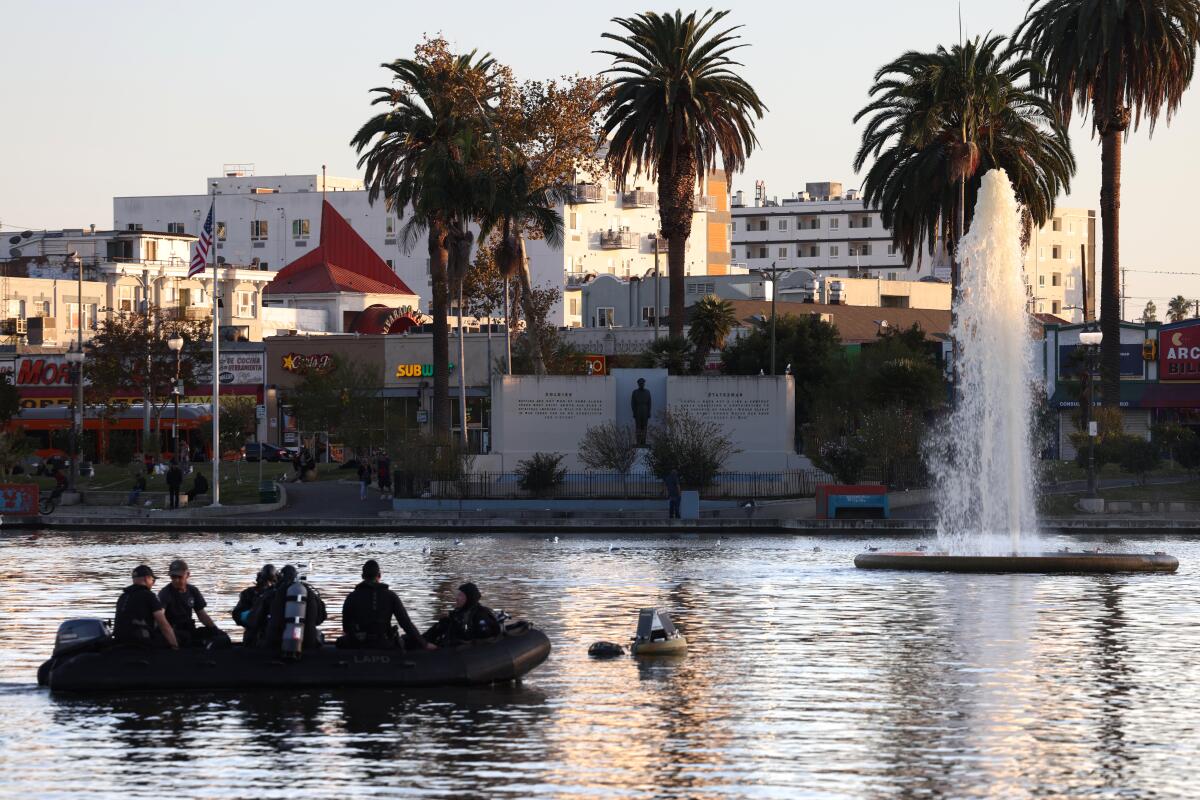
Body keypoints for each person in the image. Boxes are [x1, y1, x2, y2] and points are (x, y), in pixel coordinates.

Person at [338, 559, 435, 651]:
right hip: (385, 644)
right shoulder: (390, 595)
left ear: (362, 576)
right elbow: (405, 623)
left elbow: (346, 627)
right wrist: (424, 644)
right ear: (379, 575)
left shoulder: (351, 597)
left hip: (360, 644)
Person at [157, 559, 222, 647]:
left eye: (179, 577)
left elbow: (202, 615)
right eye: (173, 577)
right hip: (174, 631)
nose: (176, 580)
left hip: (189, 629)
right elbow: (161, 618)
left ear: (187, 575)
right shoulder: (165, 593)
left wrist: (215, 629)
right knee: (185, 639)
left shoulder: (193, 590)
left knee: (220, 636)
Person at [262, 564, 327, 651]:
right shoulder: (309, 592)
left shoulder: (272, 593)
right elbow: (321, 618)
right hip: (308, 643)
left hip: (275, 644)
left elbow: (255, 619)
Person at [114, 565, 179, 650]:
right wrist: (175, 647)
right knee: (182, 637)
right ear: (146, 578)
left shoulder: (123, 596)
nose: (153, 583)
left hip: (120, 641)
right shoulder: (149, 596)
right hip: (141, 643)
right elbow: (163, 625)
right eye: (153, 580)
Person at [424, 582, 501, 646]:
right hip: (446, 649)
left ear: (469, 598)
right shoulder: (457, 613)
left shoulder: (480, 615)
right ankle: (421, 643)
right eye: (457, 595)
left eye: (460, 595)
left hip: (465, 654)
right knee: (443, 623)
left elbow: (484, 639)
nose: (456, 598)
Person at [232, 564, 277, 645]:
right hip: (254, 638)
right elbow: (237, 615)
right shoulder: (249, 593)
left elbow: (237, 615)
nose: (268, 584)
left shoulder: (278, 594)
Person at [631, 378, 653, 446]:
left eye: (642, 383)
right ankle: (638, 442)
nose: (641, 384)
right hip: (638, 410)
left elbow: (649, 403)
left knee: (644, 426)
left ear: (644, 384)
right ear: (638, 384)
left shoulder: (647, 392)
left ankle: (643, 442)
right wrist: (634, 412)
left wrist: (649, 412)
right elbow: (632, 403)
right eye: (640, 383)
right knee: (638, 426)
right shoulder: (635, 392)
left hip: (645, 410)